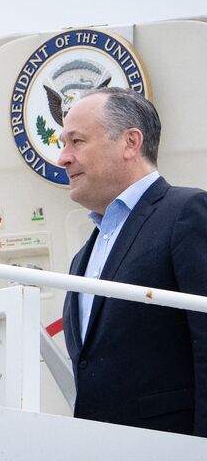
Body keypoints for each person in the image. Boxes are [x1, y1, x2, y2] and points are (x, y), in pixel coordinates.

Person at [58, 86, 207, 436]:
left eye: (76, 141)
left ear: (130, 142)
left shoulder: (186, 214)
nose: (62, 158)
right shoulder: (84, 255)